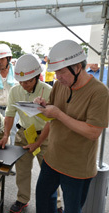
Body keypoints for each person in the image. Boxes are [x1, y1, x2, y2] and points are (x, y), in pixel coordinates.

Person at [33, 40, 109, 212]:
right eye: (55, 72)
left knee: (72, 209)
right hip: (51, 158)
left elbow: (93, 132)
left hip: (77, 166)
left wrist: (58, 114)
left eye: (61, 71)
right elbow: (51, 120)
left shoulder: (99, 92)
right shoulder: (60, 85)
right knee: (43, 201)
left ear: (77, 67)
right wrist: (44, 107)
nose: (57, 77)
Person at [0, 54, 54, 213]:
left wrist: (39, 142)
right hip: (23, 135)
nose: (24, 85)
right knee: (22, 171)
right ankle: (22, 199)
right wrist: (6, 134)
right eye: (21, 81)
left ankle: (57, 203)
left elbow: (51, 121)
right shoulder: (15, 91)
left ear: (37, 77)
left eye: (28, 81)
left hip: (46, 136)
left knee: (50, 172)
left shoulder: (48, 90)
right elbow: (10, 114)